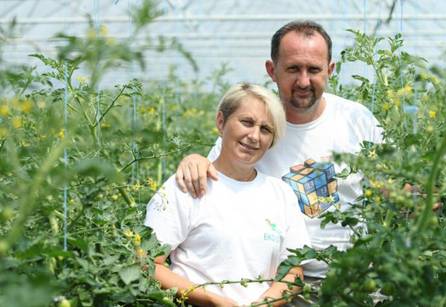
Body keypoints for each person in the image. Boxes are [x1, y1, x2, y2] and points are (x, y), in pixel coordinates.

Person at [175, 20, 383, 286]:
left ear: (330, 70)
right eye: (293, 69)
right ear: (272, 70)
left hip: (357, 283)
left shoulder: (358, 120)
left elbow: (397, 184)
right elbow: (215, 170)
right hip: (277, 286)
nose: (304, 81)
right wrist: (194, 160)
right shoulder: (256, 129)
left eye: (314, 69)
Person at [145, 83, 310, 307]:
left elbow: (294, 272)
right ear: (221, 122)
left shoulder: (281, 194)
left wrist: (263, 305)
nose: (254, 136)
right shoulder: (187, 185)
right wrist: (211, 300)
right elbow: (147, 263)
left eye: (265, 129)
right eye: (247, 122)